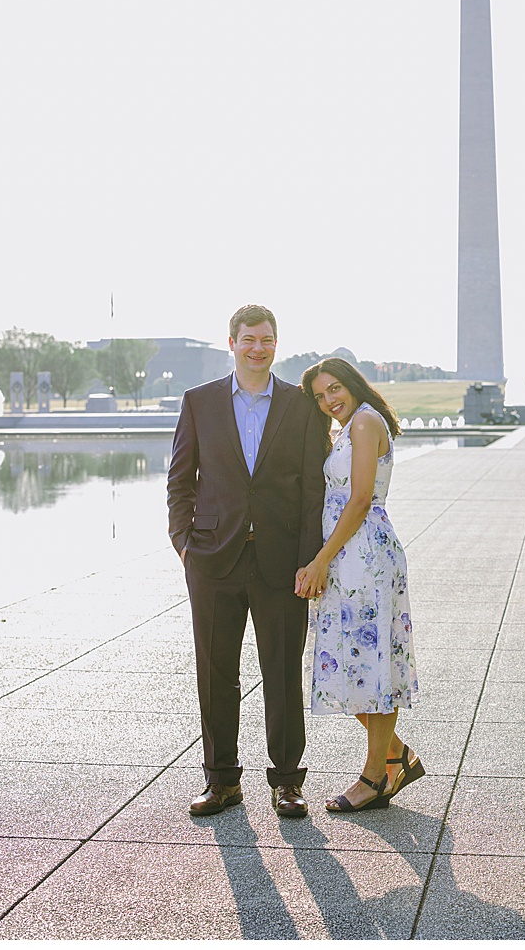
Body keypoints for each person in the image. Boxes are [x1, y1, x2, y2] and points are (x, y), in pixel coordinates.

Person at [167, 304, 331, 818]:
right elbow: (181, 478)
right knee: (216, 673)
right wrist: (184, 544)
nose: (258, 348)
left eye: (266, 340)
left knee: (282, 671)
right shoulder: (200, 402)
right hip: (214, 559)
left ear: (276, 345)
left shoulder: (301, 406)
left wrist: (309, 559)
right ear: (232, 342)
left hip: (282, 563)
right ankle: (221, 781)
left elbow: (312, 488)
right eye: (249, 339)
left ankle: (286, 782)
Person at [296, 358, 423, 812]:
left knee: (367, 661)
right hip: (350, 556)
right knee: (350, 663)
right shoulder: (351, 425)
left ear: (351, 384)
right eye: (319, 396)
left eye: (334, 389)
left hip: (362, 556)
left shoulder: (365, 422)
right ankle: (395, 757)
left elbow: (361, 499)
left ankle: (375, 777)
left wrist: (319, 561)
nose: (329, 400)